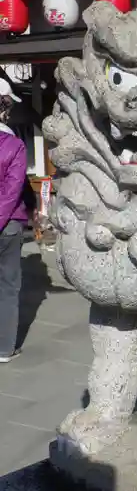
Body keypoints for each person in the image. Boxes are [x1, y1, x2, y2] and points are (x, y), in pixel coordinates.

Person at [0, 79, 28, 362]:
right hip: (7, 225)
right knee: (7, 286)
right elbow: (12, 189)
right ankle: (4, 348)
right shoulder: (14, 146)